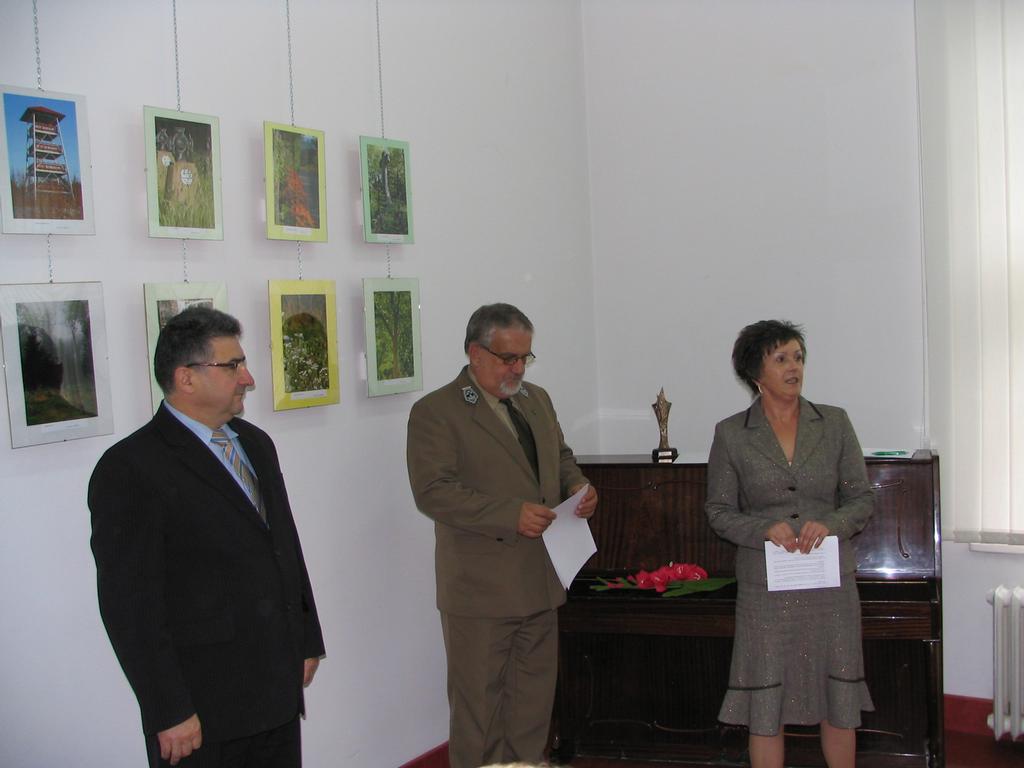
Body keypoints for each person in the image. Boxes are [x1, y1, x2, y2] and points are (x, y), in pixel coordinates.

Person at [89, 307, 325, 768]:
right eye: (232, 366)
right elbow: (130, 606)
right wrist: (168, 710)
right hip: (203, 706)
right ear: (186, 377)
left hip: (275, 687)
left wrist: (306, 638)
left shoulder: (255, 443)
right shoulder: (130, 468)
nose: (247, 379)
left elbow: (285, 548)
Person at [406, 302, 598, 768]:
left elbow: (561, 456)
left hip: (541, 580)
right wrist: (509, 515)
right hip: (481, 590)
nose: (518, 369)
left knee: (533, 708)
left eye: (525, 357)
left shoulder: (537, 400)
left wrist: (578, 486)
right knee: (480, 713)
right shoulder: (437, 411)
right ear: (475, 353)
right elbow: (433, 492)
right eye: (508, 358)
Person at [704, 320, 874, 768]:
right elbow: (718, 511)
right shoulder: (731, 433)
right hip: (766, 589)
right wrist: (762, 529)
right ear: (754, 372)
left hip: (830, 585)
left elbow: (861, 498)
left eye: (798, 357)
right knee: (766, 706)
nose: (793, 367)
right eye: (780, 359)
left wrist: (831, 524)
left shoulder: (834, 422)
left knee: (839, 699)